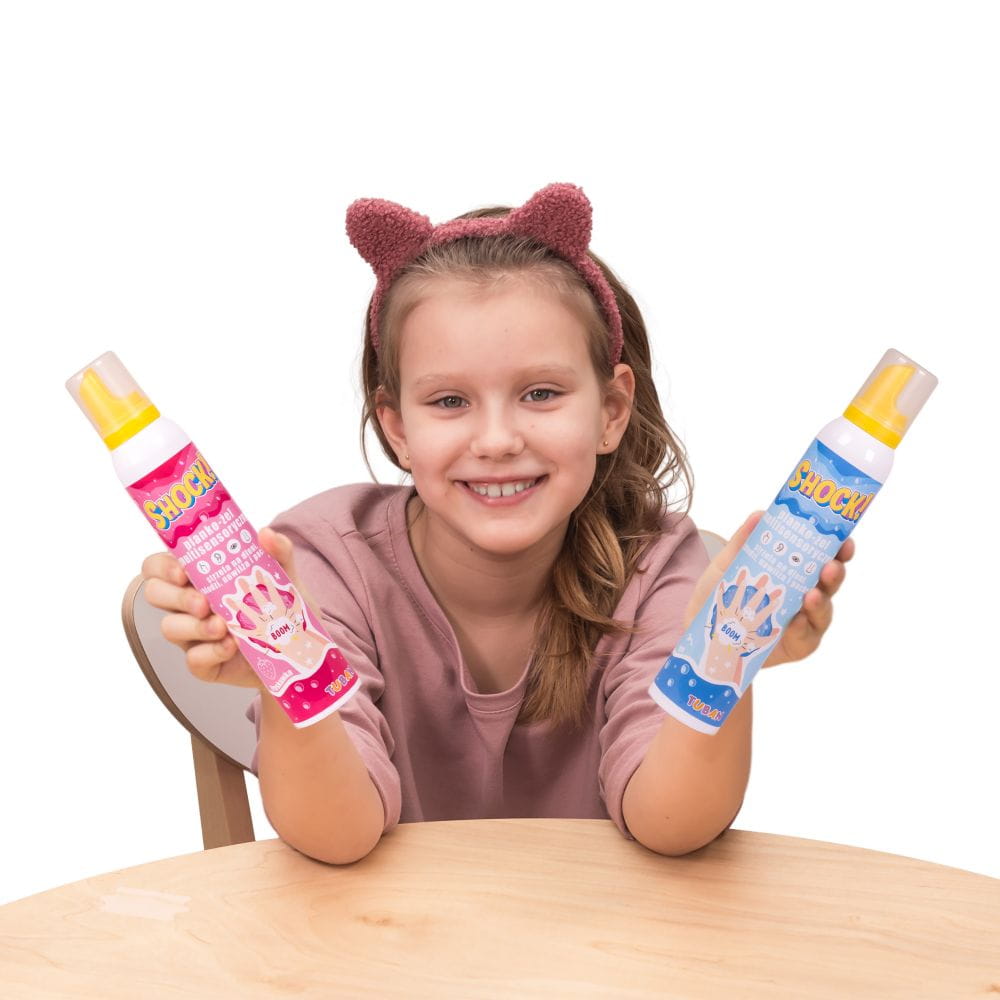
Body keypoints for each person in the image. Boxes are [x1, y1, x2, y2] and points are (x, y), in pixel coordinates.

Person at [140, 182, 853, 866]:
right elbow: (338, 835)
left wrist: (724, 664)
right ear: (397, 428)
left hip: (601, 938)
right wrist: (288, 681)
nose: (497, 440)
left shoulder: (658, 566)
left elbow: (672, 825)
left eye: (540, 393)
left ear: (611, 411)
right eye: (449, 402)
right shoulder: (328, 559)